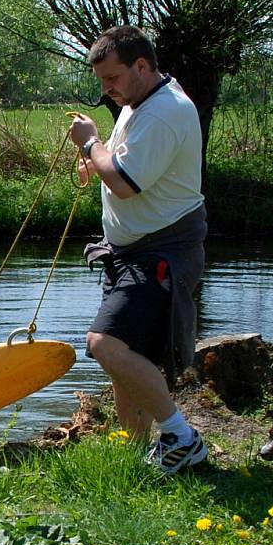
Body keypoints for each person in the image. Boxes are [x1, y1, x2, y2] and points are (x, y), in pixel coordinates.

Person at [69, 25, 209, 474]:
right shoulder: (140, 101)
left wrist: (92, 142)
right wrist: (98, 156)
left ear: (142, 66)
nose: (106, 89)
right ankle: (136, 459)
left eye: (111, 78)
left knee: (104, 343)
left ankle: (183, 439)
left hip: (161, 251)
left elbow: (126, 183)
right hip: (130, 252)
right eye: (102, 81)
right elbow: (124, 159)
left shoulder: (165, 112)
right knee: (126, 358)